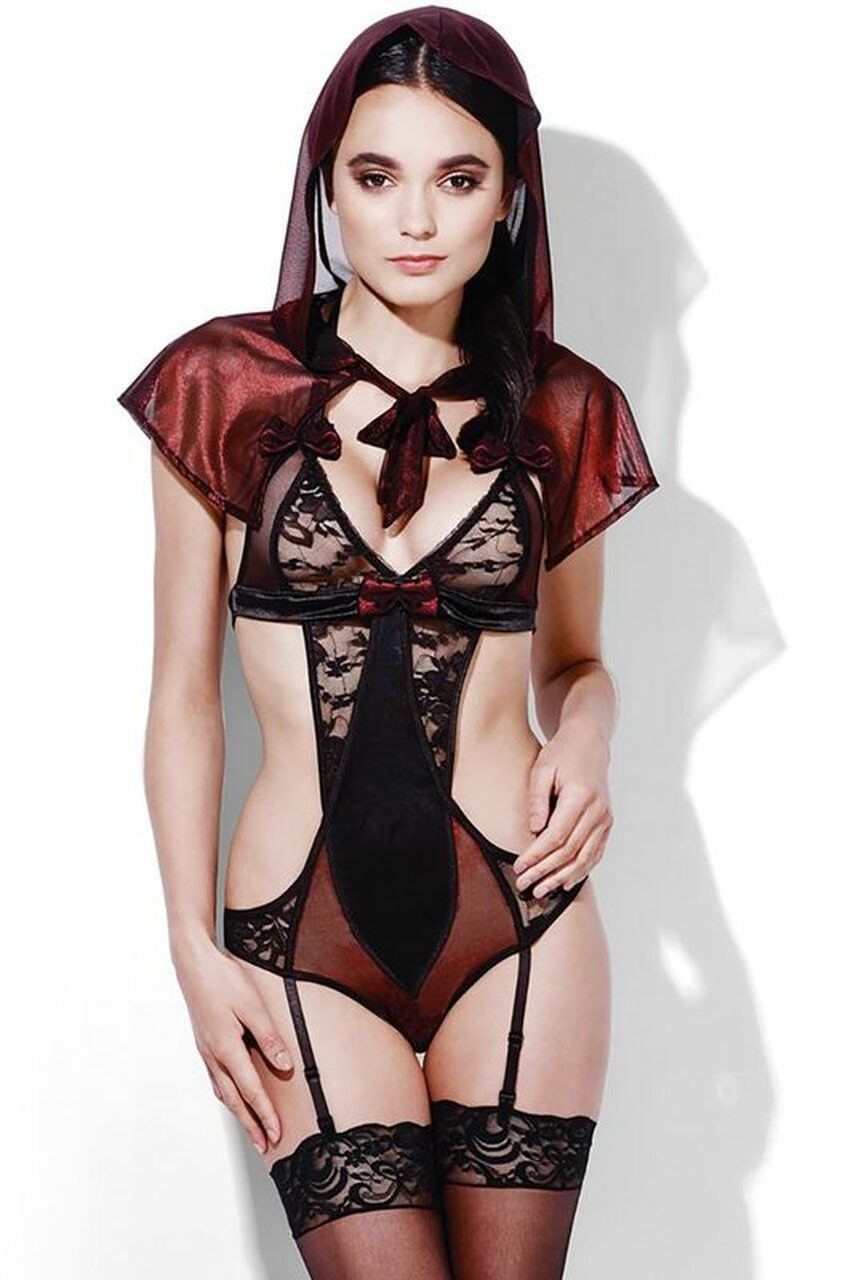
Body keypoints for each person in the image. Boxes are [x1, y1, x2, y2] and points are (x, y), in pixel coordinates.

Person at [116, 6, 659, 1277]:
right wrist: (189, 945)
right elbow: (182, 696)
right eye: (376, 176)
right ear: (327, 187)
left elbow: (576, 661)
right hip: (292, 934)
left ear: (508, 198)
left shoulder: (563, 407)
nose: (414, 219)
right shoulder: (222, 385)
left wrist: (588, 738)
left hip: (522, 918)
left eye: (457, 179)